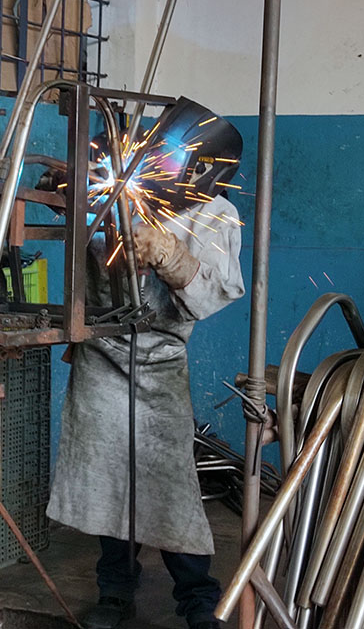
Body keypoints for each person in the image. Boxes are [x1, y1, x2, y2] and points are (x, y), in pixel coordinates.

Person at [45, 98, 246, 629]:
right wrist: (66, 190)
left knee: (168, 482)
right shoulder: (124, 188)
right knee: (108, 480)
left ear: (202, 166)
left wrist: (167, 253)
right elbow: (79, 214)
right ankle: (114, 592)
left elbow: (211, 294)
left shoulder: (216, 214)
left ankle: (198, 598)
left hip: (158, 363)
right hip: (101, 355)